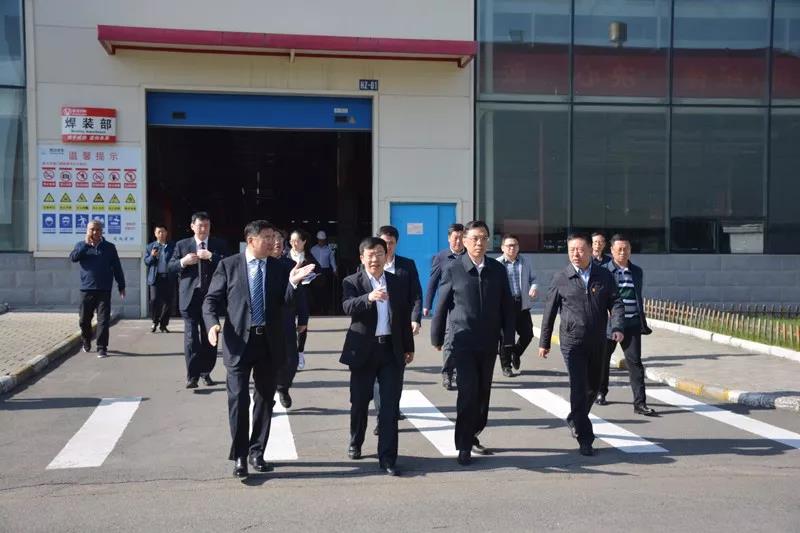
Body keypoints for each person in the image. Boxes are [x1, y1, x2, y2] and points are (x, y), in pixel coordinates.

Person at [203, 220, 314, 480]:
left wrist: (293, 284)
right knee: (238, 399)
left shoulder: (281, 267)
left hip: (269, 342)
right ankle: (240, 456)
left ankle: (257, 452)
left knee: (265, 400)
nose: (273, 242)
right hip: (238, 343)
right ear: (251, 240)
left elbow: (286, 303)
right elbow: (211, 300)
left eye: (274, 236)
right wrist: (212, 324)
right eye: (267, 237)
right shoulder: (228, 265)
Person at [431, 221, 515, 466]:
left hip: (488, 341)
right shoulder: (453, 269)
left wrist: (509, 338)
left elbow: (507, 305)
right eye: (475, 238)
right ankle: (464, 445)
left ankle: (474, 431)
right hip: (463, 340)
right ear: (465, 241)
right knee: (467, 393)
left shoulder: (497, 270)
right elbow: (442, 305)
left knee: (482, 394)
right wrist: (437, 336)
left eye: (484, 238)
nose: (479, 243)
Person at [538, 233, 624, 457]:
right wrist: (544, 342)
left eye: (580, 250)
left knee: (593, 387)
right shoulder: (561, 278)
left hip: (598, 340)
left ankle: (575, 417)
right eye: (571, 250)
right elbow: (549, 312)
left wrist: (617, 326)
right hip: (572, 342)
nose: (576, 254)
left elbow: (616, 302)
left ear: (590, 251)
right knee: (578, 388)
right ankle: (585, 438)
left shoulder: (603, 275)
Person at [341, 237, 414, 476]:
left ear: (386, 256)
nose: (375, 259)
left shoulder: (397, 282)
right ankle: (356, 440)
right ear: (362, 258)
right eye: (370, 255)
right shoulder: (352, 281)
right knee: (359, 402)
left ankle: (388, 458)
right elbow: (347, 306)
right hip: (363, 350)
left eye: (379, 254)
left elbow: (402, 316)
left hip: (390, 350)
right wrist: (368, 298)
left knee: (389, 407)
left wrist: (408, 346)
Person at [371, 225, 422, 435]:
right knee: (378, 379)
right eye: (384, 243)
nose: (388, 247)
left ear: (396, 243)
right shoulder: (368, 265)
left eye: (391, 243)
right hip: (376, 331)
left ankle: (392, 408)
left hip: (399, 329)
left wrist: (415, 319)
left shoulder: (406, 265)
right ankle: (382, 417)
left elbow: (416, 294)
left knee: (397, 374)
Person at [597, 234, 657, 416]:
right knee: (603, 360)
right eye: (619, 249)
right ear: (612, 250)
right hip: (610, 324)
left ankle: (640, 403)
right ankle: (601, 392)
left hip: (632, 323)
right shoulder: (603, 271)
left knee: (635, 363)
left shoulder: (637, 271)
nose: (623, 252)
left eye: (626, 249)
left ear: (630, 250)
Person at [169, 211, 228, 389]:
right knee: (191, 337)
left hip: (211, 298)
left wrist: (211, 256)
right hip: (190, 297)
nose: (203, 229)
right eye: (200, 225)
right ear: (192, 226)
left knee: (210, 335)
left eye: (207, 226)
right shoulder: (182, 245)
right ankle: (192, 376)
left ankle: (206, 372)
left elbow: (229, 264)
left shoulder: (218, 244)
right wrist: (183, 261)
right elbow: (169, 267)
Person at [69, 220, 125, 358]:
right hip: (86, 289)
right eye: (92, 229)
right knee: (84, 320)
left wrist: (121, 285)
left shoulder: (109, 247)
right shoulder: (81, 245)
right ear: (87, 231)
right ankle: (86, 340)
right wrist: (86, 245)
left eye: (98, 229)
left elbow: (117, 267)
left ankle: (102, 347)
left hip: (104, 289)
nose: (95, 232)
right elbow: (73, 258)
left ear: (102, 231)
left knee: (103, 320)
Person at [423, 222, 465, 390]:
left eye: (461, 238)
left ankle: (461, 373)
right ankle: (447, 373)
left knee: (464, 340)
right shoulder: (441, 257)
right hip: (448, 305)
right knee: (449, 340)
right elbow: (433, 282)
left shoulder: (470, 256)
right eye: (455, 238)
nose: (458, 241)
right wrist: (427, 304)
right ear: (449, 238)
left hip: (466, 304)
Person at [274, 229, 310, 409]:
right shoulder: (258, 264)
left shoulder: (291, 265)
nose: (277, 243)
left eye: (280, 240)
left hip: (286, 319)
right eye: (273, 239)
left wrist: (303, 319)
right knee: (266, 361)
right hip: (263, 321)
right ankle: (267, 394)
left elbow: (300, 294)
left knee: (291, 360)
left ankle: (283, 387)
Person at [496, 233, 537, 377]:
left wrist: (534, 287)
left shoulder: (525, 262)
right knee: (506, 338)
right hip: (505, 306)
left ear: (518, 247)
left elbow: (534, 279)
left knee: (528, 334)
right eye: (509, 245)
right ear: (502, 247)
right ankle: (506, 366)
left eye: (515, 245)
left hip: (522, 303)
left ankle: (516, 352)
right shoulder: (497, 264)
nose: (512, 248)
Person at [288, 229, 320, 370]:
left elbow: (319, 273)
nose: (294, 244)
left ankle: (300, 352)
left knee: (302, 325)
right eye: (291, 241)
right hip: (288, 295)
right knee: (286, 324)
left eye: (297, 241)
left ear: (304, 242)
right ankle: (289, 355)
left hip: (304, 295)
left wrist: (311, 277)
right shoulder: (285, 256)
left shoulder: (309, 258)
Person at [143, 225, 175, 333]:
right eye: (159, 232)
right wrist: (152, 256)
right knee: (154, 300)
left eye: (163, 231)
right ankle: (154, 321)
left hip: (168, 277)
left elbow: (176, 259)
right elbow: (146, 262)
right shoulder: (150, 247)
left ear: (166, 233)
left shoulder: (172, 246)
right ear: (155, 234)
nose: (161, 234)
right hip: (155, 278)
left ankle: (163, 324)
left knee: (168, 301)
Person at [310, 229, 337, 315]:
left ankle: (325, 309)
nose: (321, 242)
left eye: (323, 240)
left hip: (326, 271)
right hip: (315, 271)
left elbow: (332, 260)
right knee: (316, 291)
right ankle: (317, 309)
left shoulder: (329, 249)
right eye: (320, 240)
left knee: (326, 291)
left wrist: (335, 270)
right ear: (317, 240)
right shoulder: (313, 249)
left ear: (325, 240)